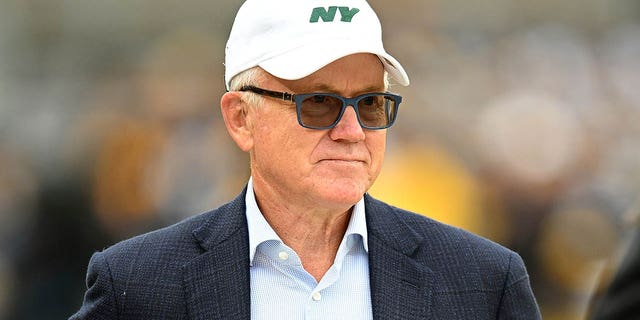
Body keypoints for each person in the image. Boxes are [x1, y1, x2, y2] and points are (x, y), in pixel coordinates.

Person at [70, 0, 541, 319]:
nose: (352, 131)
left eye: (371, 103)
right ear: (240, 118)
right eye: (318, 103)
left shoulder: (485, 282)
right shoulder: (137, 284)